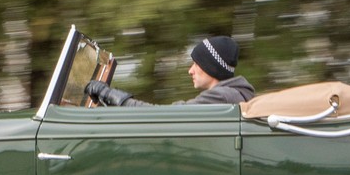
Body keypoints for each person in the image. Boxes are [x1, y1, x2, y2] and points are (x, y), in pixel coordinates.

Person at [85, 36, 255, 107]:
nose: (190, 71)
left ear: (211, 67)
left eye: (196, 64)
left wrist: (111, 95)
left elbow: (166, 116)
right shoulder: (232, 95)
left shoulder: (222, 97)